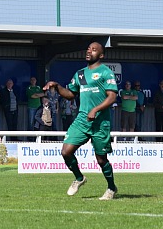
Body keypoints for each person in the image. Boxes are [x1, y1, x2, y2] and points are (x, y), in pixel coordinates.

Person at [43, 42, 119, 200]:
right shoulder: (80, 74)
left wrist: (96, 109)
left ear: (101, 55)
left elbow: (112, 96)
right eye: (88, 49)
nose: (89, 51)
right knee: (66, 151)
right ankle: (79, 178)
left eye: (94, 49)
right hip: (82, 120)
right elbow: (71, 94)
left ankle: (111, 188)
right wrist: (57, 86)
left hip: (100, 122)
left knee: (101, 159)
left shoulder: (105, 72)